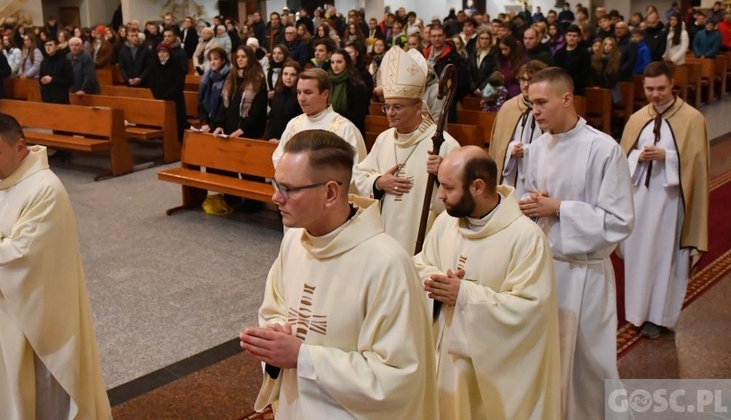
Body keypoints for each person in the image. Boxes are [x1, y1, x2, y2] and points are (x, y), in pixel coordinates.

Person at [240, 130, 438, 419]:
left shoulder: (386, 264)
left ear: (330, 193)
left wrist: (302, 357)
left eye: (288, 189)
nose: (275, 197)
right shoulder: (294, 242)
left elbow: (399, 377)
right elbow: (275, 307)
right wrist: (276, 333)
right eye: (275, 184)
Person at [519, 67, 634, 420]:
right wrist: (531, 203)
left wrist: (559, 208)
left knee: (590, 364)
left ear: (566, 99)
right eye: (531, 103)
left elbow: (619, 222)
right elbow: (529, 195)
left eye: (541, 102)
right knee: (548, 359)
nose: (534, 111)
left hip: (586, 274)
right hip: (547, 268)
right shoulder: (538, 147)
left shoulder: (603, 149)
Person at [414, 146, 561, 419]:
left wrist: (464, 295)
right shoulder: (446, 222)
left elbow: (531, 310)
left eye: (447, 187)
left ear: (478, 187)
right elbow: (421, 264)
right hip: (443, 357)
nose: (440, 195)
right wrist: (435, 284)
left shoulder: (525, 238)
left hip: (491, 374)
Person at [0, 113, 111, 419]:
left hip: (35, 318)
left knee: (39, 396)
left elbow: (20, 262)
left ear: (21, 147)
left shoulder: (45, 191)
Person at [620, 61, 709, 339]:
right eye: (649, 89)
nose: (655, 95)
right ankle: (636, 313)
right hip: (640, 200)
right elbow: (622, 160)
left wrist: (667, 157)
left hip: (671, 202)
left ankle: (658, 317)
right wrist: (638, 157)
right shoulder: (637, 119)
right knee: (638, 255)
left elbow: (697, 166)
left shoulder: (692, 119)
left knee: (663, 257)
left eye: (660, 88)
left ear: (672, 84)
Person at [354, 47, 459, 255]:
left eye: (397, 107)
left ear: (418, 107)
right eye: (387, 107)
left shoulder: (444, 145)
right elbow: (359, 174)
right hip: (383, 235)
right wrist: (378, 182)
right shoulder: (384, 140)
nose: (390, 114)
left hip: (425, 241)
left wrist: (441, 175)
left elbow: (460, 197)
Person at [272, 68, 366, 170]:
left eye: (308, 92)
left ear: (325, 94)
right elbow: (279, 158)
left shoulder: (345, 129)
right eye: (299, 92)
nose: (301, 98)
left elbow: (357, 171)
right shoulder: (294, 124)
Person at [488, 60, 548, 198]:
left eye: (531, 80)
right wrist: (510, 150)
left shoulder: (549, 109)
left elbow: (554, 146)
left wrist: (527, 150)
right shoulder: (508, 107)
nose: (526, 85)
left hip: (537, 179)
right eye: (522, 79)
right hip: (510, 174)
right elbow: (498, 146)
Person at [149, 42, 188, 142]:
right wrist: (158, 95)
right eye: (159, 52)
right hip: (160, 98)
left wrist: (167, 95)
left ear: (169, 53)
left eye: (164, 52)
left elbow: (178, 83)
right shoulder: (154, 65)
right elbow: (152, 82)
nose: (161, 54)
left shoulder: (175, 65)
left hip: (175, 99)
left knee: (178, 123)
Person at [268, 60, 303, 142]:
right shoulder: (278, 92)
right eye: (285, 74)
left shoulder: (300, 95)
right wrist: (270, 136)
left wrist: (285, 139)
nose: (288, 77)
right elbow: (272, 116)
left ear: (298, 76)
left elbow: (300, 122)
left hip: (293, 141)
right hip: (274, 139)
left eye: (293, 75)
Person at [39, 38, 74, 104]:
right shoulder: (44, 62)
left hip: (60, 98)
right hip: (46, 97)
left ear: (57, 47)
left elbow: (69, 81)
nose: (48, 47)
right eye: (46, 45)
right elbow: (40, 77)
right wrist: (42, 80)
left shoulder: (65, 61)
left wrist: (52, 79)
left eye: (50, 45)